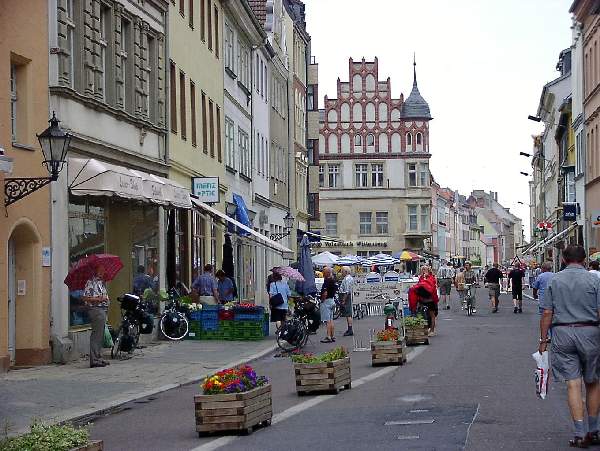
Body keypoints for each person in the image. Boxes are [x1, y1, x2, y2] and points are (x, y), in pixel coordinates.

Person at [539, 245, 600, 448]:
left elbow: (547, 312)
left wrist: (543, 339)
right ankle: (594, 429)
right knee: (592, 382)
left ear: (564, 260)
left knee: (573, 384)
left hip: (563, 333)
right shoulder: (595, 280)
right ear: (584, 260)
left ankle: (580, 432)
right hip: (590, 332)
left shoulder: (555, 280)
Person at [82, 265, 110, 368]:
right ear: (96, 271)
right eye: (100, 270)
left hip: (102, 310)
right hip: (96, 310)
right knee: (96, 335)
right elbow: (85, 297)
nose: (102, 272)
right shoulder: (91, 282)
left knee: (100, 335)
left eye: (103, 270)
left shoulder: (101, 282)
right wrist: (99, 299)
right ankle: (94, 360)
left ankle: (98, 357)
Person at [320, 266, 338, 343]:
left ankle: (328, 336)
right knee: (331, 320)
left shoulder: (327, 281)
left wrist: (322, 299)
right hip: (332, 301)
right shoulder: (333, 280)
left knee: (327, 320)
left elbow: (325, 293)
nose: (322, 273)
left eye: (324, 271)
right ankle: (332, 335)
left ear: (326, 273)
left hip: (327, 301)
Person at [338, 266, 355, 336]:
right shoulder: (349, 278)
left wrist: (344, 300)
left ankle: (350, 329)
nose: (341, 273)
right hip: (348, 296)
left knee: (348, 314)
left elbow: (347, 291)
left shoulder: (347, 279)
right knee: (348, 313)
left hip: (347, 297)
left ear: (345, 272)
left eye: (342, 271)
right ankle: (349, 328)